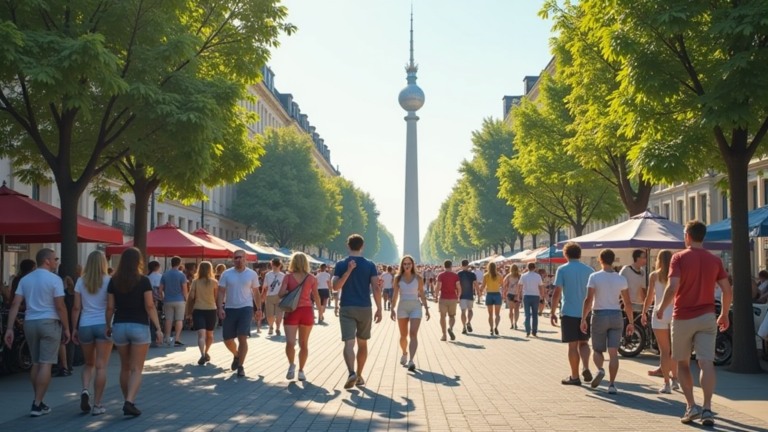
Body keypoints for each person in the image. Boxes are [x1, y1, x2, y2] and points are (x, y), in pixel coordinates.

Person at [656, 220, 732, 426]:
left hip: (683, 317)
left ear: (687, 236)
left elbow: (672, 288)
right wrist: (724, 314)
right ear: (703, 236)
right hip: (707, 316)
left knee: (682, 362)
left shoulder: (678, 258)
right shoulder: (714, 260)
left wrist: (661, 308)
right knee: (706, 362)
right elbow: (727, 290)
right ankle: (707, 408)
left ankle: (691, 406)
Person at [4, 248, 69, 417]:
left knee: (36, 363)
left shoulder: (26, 279)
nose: (57, 261)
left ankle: (38, 399)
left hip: (30, 322)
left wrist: (10, 328)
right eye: (55, 258)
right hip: (49, 322)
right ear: (47, 260)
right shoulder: (55, 280)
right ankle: (37, 403)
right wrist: (67, 328)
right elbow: (60, 306)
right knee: (46, 363)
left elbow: (15, 304)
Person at [105, 247, 163, 417]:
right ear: (138, 261)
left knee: (125, 367)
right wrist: (158, 328)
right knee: (137, 369)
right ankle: (129, 401)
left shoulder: (113, 281)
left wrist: (108, 325)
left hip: (119, 325)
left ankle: (127, 400)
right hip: (139, 326)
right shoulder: (143, 280)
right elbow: (149, 305)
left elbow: (110, 307)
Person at [581, 249, 634, 394]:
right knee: (613, 353)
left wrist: (583, 318)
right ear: (613, 260)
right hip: (616, 315)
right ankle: (612, 385)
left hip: (599, 314)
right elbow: (627, 302)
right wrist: (631, 321)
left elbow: (589, 299)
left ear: (600, 260)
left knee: (597, 349)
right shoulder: (621, 279)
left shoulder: (594, 276)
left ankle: (600, 369)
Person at [332, 234, 381, 389]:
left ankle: (351, 372)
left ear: (348, 246)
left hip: (347, 306)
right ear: (363, 246)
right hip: (365, 307)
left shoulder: (340, 264)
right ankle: (359, 374)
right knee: (363, 343)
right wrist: (380, 308)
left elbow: (335, 287)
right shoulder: (370, 265)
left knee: (348, 342)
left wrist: (347, 272)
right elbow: (376, 288)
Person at [71, 251, 113, 415]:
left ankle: (85, 389)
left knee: (89, 364)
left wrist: (74, 328)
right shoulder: (109, 281)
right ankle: (97, 405)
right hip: (104, 325)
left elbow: (76, 308)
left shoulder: (80, 281)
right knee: (101, 366)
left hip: (85, 325)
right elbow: (111, 306)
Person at [550, 242, 595, 385]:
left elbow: (557, 292)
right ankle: (586, 367)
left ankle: (575, 376)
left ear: (565, 254)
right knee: (584, 342)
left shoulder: (562, 270)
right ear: (580, 254)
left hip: (569, 312)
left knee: (572, 346)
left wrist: (552, 311)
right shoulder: (589, 270)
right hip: (585, 312)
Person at [217, 250, 261, 378]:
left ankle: (240, 366)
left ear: (245, 259)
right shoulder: (226, 274)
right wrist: (220, 307)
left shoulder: (251, 274)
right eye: (236, 258)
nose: (238, 260)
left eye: (241, 258)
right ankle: (237, 355)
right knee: (227, 339)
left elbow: (256, 292)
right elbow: (221, 291)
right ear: (233, 259)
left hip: (246, 308)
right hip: (230, 308)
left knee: (242, 337)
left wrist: (258, 309)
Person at [641, 250, 679, 394]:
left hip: (659, 313)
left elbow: (650, 296)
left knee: (664, 351)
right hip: (675, 312)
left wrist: (644, 312)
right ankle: (675, 379)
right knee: (675, 350)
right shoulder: (676, 275)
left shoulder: (654, 275)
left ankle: (666, 383)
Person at [278, 253, 320, 381]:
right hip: (307, 311)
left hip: (292, 311)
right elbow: (316, 296)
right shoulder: (312, 278)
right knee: (304, 344)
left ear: (293, 262)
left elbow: (280, 294)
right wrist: (321, 311)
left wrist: (289, 292)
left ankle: (291, 365)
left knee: (290, 342)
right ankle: (301, 371)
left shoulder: (288, 277)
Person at [390, 255, 430, 371]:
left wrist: (426, 308)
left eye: (409, 264)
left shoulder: (418, 278)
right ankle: (404, 352)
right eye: (405, 264)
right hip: (402, 306)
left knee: (413, 333)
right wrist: (392, 308)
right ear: (402, 265)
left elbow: (422, 293)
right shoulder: (398, 278)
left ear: (413, 265)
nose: (407, 266)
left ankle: (411, 360)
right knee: (403, 335)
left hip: (415, 306)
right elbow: (395, 294)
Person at [186, 261, 219, 366]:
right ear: (210, 269)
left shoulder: (195, 282)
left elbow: (191, 297)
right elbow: (216, 297)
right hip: (211, 309)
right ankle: (206, 351)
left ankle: (202, 355)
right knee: (210, 334)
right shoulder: (214, 282)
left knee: (201, 335)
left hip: (198, 309)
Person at [158, 256, 188, 347]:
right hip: (179, 300)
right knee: (179, 319)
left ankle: (167, 339)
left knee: (168, 319)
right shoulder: (181, 275)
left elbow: (160, 290)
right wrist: (186, 299)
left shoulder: (165, 274)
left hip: (168, 300)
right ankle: (177, 339)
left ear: (171, 263)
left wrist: (163, 298)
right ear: (179, 263)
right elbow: (184, 289)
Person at [435, 260, 460, 341]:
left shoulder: (441, 275)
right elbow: (459, 287)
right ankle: (450, 327)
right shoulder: (455, 276)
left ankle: (444, 335)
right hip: (453, 298)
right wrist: (458, 296)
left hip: (443, 298)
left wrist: (436, 296)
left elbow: (438, 287)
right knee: (452, 316)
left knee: (442, 316)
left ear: (444, 266)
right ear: (451, 266)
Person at [518, 263, 544, 337]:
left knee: (527, 315)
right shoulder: (537, 276)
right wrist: (542, 295)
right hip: (535, 296)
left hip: (526, 296)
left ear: (527, 267)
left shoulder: (524, 275)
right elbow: (541, 286)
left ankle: (527, 331)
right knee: (535, 314)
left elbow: (520, 285)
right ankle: (534, 331)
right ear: (535, 268)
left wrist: (518, 295)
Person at [262, 258, 285, 336]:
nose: (273, 266)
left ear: (278, 265)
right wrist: (263, 295)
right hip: (270, 296)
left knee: (279, 314)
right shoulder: (268, 275)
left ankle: (277, 328)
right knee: (269, 315)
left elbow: (285, 287)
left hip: (279, 297)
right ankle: (271, 326)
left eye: (274, 265)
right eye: (272, 265)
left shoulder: (283, 276)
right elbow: (265, 287)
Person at [481, 262, 503, 336]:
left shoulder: (486, 275)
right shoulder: (499, 275)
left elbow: (483, 286)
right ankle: (496, 327)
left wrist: (480, 292)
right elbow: (501, 284)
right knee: (497, 314)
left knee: (490, 315)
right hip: (497, 294)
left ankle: (491, 328)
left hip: (489, 294)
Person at [457, 260, 478, 334]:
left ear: (461, 265)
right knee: (470, 310)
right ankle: (468, 322)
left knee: (463, 311)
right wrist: (479, 292)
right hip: (469, 295)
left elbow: (457, 285)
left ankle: (463, 327)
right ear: (468, 265)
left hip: (462, 295)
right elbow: (476, 284)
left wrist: (457, 295)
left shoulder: (459, 274)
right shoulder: (472, 274)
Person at [503, 265, 521, 329]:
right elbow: (522, 285)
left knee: (511, 310)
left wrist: (504, 293)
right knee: (517, 310)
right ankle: (515, 323)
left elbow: (504, 284)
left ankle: (511, 323)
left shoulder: (508, 276)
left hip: (510, 293)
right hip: (517, 294)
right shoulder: (520, 276)